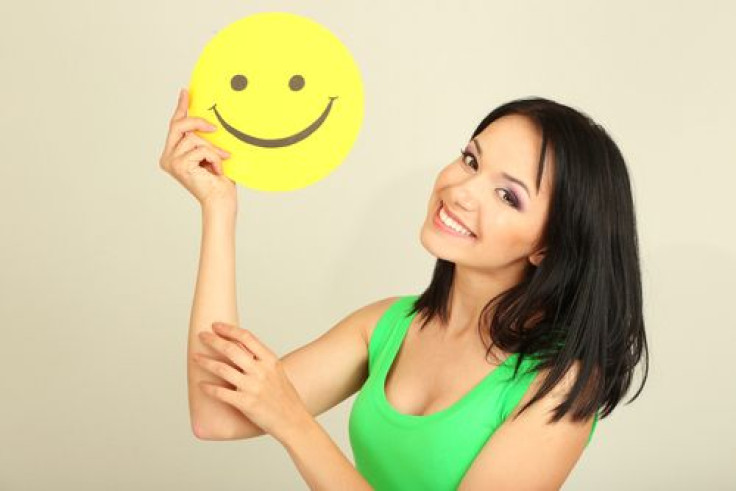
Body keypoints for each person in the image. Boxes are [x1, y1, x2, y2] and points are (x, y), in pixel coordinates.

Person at [159, 90, 648, 490]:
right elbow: (216, 416)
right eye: (471, 159)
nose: (460, 190)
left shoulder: (559, 384)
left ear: (548, 245)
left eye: (507, 195)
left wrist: (292, 422)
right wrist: (218, 209)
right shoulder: (386, 325)